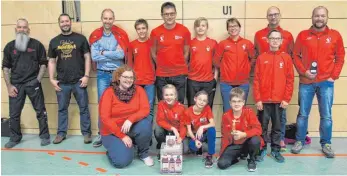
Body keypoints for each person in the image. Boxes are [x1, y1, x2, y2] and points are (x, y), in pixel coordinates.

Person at [291, 6, 345, 158]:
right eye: (316, 16)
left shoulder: (335, 35)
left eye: (322, 16)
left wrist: (333, 76)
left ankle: (326, 144)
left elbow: (340, 56)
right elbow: (295, 55)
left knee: (326, 115)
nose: (319, 18)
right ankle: (299, 141)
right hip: (306, 82)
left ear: (327, 17)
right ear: (312, 17)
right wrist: (303, 72)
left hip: (326, 83)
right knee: (302, 114)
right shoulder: (303, 35)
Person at [2, 18, 50, 148]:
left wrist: (37, 80)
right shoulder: (9, 47)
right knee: (14, 114)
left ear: (28, 30)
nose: (22, 30)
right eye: (19, 27)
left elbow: (43, 64)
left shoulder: (37, 45)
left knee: (40, 111)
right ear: (16, 29)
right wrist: (9, 86)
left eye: (24, 27)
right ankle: (15, 138)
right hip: (16, 85)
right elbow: (5, 67)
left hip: (32, 83)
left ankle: (44, 136)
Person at [254, 6, 295, 151]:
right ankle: (262, 149)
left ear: (281, 40)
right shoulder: (261, 58)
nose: (275, 41)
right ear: (268, 40)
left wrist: (286, 99)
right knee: (262, 127)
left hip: (279, 100)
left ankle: (277, 150)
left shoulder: (286, 58)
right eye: (272, 38)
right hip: (264, 100)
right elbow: (257, 80)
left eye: (278, 39)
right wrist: (258, 99)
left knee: (277, 127)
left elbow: (290, 80)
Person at [48, 13, 92, 144]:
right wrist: (51, 79)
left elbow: (87, 57)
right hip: (62, 82)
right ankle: (61, 133)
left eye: (67, 21)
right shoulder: (54, 41)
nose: (65, 23)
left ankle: (87, 134)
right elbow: (51, 61)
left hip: (79, 81)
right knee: (62, 109)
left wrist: (86, 76)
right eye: (62, 22)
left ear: (70, 22)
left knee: (83, 108)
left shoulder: (81, 39)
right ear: (59, 23)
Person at [89, 8, 130, 147]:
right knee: (103, 105)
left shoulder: (120, 34)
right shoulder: (96, 35)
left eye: (110, 18)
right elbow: (94, 56)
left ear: (113, 19)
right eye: (105, 18)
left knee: (120, 103)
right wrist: (111, 53)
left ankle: (119, 132)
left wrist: (103, 52)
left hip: (117, 74)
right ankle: (102, 134)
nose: (108, 21)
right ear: (102, 19)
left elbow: (121, 55)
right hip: (102, 75)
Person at [99, 65, 154, 168]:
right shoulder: (108, 92)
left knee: (145, 124)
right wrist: (122, 136)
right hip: (112, 131)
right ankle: (113, 150)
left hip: (130, 126)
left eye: (131, 77)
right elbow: (105, 118)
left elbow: (145, 110)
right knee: (121, 162)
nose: (128, 80)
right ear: (119, 77)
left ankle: (144, 154)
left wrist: (130, 119)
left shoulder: (139, 90)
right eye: (125, 77)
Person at [150, 1, 191, 104]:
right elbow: (153, 53)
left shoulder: (184, 31)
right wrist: (162, 65)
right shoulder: (155, 32)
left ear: (175, 14)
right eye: (166, 14)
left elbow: (186, 53)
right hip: (162, 75)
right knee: (163, 106)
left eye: (172, 13)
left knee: (179, 105)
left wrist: (178, 65)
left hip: (179, 74)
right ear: (162, 15)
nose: (169, 16)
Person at [213, 18, 255, 112]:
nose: (233, 28)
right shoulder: (223, 44)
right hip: (226, 83)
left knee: (241, 111)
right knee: (228, 111)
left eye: (235, 26)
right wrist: (225, 68)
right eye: (230, 26)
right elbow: (215, 61)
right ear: (227, 29)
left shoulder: (247, 43)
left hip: (243, 83)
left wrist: (247, 68)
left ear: (239, 28)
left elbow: (253, 58)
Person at [217, 88, 263, 172]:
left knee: (255, 140)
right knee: (221, 164)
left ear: (243, 103)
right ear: (230, 103)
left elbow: (258, 129)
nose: (236, 104)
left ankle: (251, 159)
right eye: (234, 101)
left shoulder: (249, 112)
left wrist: (244, 134)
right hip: (235, 145)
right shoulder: (226, 116)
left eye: (239, 101)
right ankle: (237, 157)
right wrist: (222, 153)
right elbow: (224, 136)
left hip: (247, 143)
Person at [128, 19, 155, 123]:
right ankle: (138, 135)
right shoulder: (132, 45)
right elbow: (130, 64)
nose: (141, 31)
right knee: (136, 109)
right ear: (136, 30)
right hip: (136, 83)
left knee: (149, 109)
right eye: (139, 29)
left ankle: (147, 136)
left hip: (149, 81)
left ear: (147, 29)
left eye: (143, 28)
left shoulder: (153, 44)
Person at [186, 17, 218, 108]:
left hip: (208, 81)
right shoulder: (190, 43)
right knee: (192, 108)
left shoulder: (213, 43)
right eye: (198, 26)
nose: (200, 28)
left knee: (207, 109)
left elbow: (216, 63)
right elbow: (185, 61)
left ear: (207, 27)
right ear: (195, 28)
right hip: (193, 80)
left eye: (203, 26)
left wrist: (215, 77)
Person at [154, 84, 188, 160]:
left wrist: (181, 137)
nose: (169, 97)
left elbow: (183, 125)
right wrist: (172, 128)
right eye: (166, 95)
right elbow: (160, 120)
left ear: (175, 96)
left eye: (171, 95)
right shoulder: (161, 104)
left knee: (185, 150)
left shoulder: (181, 108)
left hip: (178, 133)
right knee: (158, 130)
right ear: (163, 96)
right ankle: (162, 147)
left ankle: (172, 146)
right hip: (166, 130)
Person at [184, 91, 216, 168]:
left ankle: (210, 155)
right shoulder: (188, 111)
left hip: (205, 132)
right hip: (196, 134)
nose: (201, 102)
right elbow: (189, 130)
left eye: (204, 101)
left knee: (212, 129)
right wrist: (195, 140)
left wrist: (202, 127)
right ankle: (199, 146)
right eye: (200, 99)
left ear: (207, 102)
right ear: (195, 99)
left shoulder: (207, 108)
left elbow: (213, 123)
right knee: (192, 147)